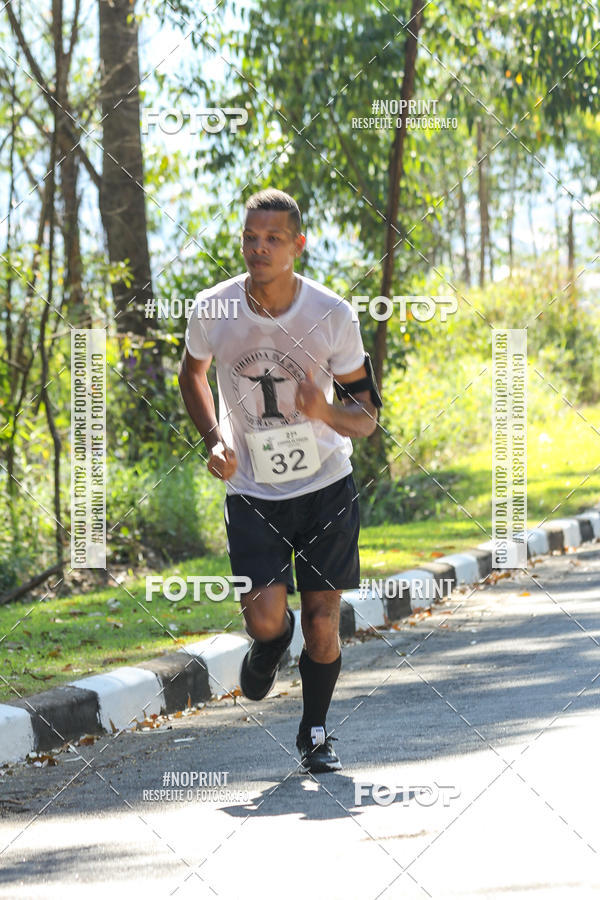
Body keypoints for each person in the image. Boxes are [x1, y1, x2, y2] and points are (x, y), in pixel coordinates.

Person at [178, 189, 381, 773]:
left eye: (272, 239)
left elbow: (365, 416)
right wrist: (215, 437)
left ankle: (315, 733)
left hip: (325, 487)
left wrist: (324, 414)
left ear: (298, 245)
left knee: (324, 618)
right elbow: (192, 373)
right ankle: (270, 644)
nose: (257, 248)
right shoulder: (214, 308)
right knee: (267, 618)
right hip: (253, 490)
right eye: (249, 237)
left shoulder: (331, 314)